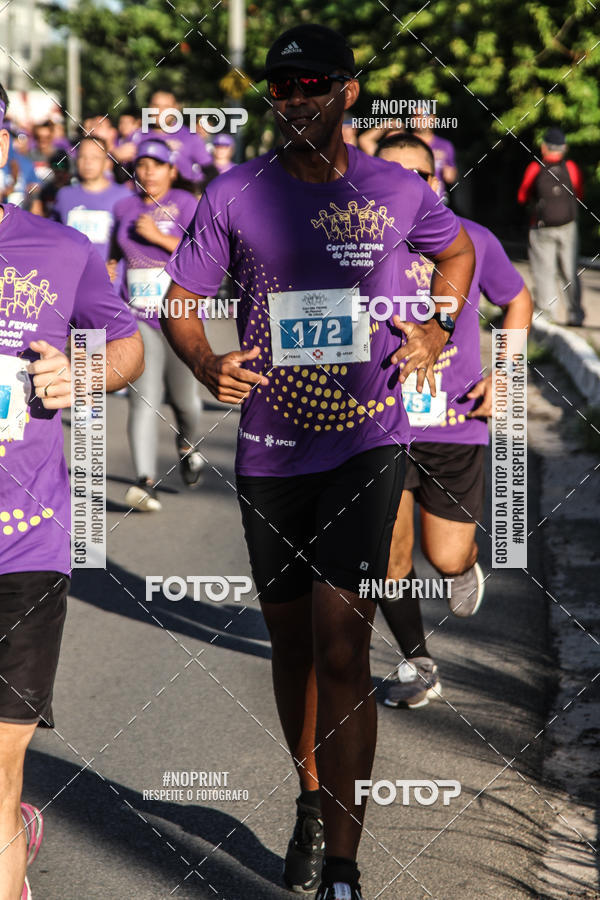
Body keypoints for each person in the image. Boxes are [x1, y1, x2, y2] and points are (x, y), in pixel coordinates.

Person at [161, 24, 475, 900]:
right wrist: (204, 360)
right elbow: (181, 302)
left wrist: (437, 326)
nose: (294, 98)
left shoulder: (400, 190)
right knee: (293, 646)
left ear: (347, 91)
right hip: (270, 447)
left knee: (345, 645)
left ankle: (344, 862)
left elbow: (458, 253)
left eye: (311, 84)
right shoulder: (234, 193)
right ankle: (309, 797)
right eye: (281, 86)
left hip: (369, 443)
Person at [0, 84, 144, 900]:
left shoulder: (58, 250)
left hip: (24, 541)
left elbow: (126, 346)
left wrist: (81, 370)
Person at [375, 133, 532, 707]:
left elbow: (516, 301)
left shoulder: (476, 241)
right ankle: (418, 665)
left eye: (421, 175)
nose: (408, 187)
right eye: (392, 176)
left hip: (453, 424)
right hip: (377, 428)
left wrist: (509, 375)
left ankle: (464, 564)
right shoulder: (352, 248)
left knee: (444, 554)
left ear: (439, 181)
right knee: (387, 552)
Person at [109, 138, 204, 510]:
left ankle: (187, 444)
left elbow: (204, 253)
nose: (148, 171)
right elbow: (115, 252)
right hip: (138, 318)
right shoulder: (124, 206)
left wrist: (158, 237)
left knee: (186, 403)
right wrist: (110, 265)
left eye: (157, 165)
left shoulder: (185, 203)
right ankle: (144, 481)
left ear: (171, 171)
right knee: (143, 399)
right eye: (142, 165)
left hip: (180, 316)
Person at [517, 126, 584, 326]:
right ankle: (575, 314)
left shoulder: (535, 168)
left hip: (541, 227)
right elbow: (579, 194)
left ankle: (547, 314)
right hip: (568, 226)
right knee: (570, 270)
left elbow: (522, 196)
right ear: (564, 148)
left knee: (543, 270)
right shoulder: (571, 168)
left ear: (544, 147)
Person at [51, 136, 130, 262]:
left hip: (109, 279)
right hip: (73, 277)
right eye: (83, 157)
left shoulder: (124, 196)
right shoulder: (64, 195)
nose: (88, 163)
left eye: (95, 157)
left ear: (106, 162)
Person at [144, 91, 212, 187]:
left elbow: (210, 172)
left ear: (176, 108)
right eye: (156, 105)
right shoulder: (137, 136)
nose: (160, 111)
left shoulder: (189, 136)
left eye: (166, 107)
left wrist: (197, 192)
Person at [412, 106, 457, 198]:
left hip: (437, 202)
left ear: (434, 118)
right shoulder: (403, 143)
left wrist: (450, 174)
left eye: (426, 115)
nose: (421, 119)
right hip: (411, 200)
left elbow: (451, 176)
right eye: (417, 115)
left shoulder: (445, 145)